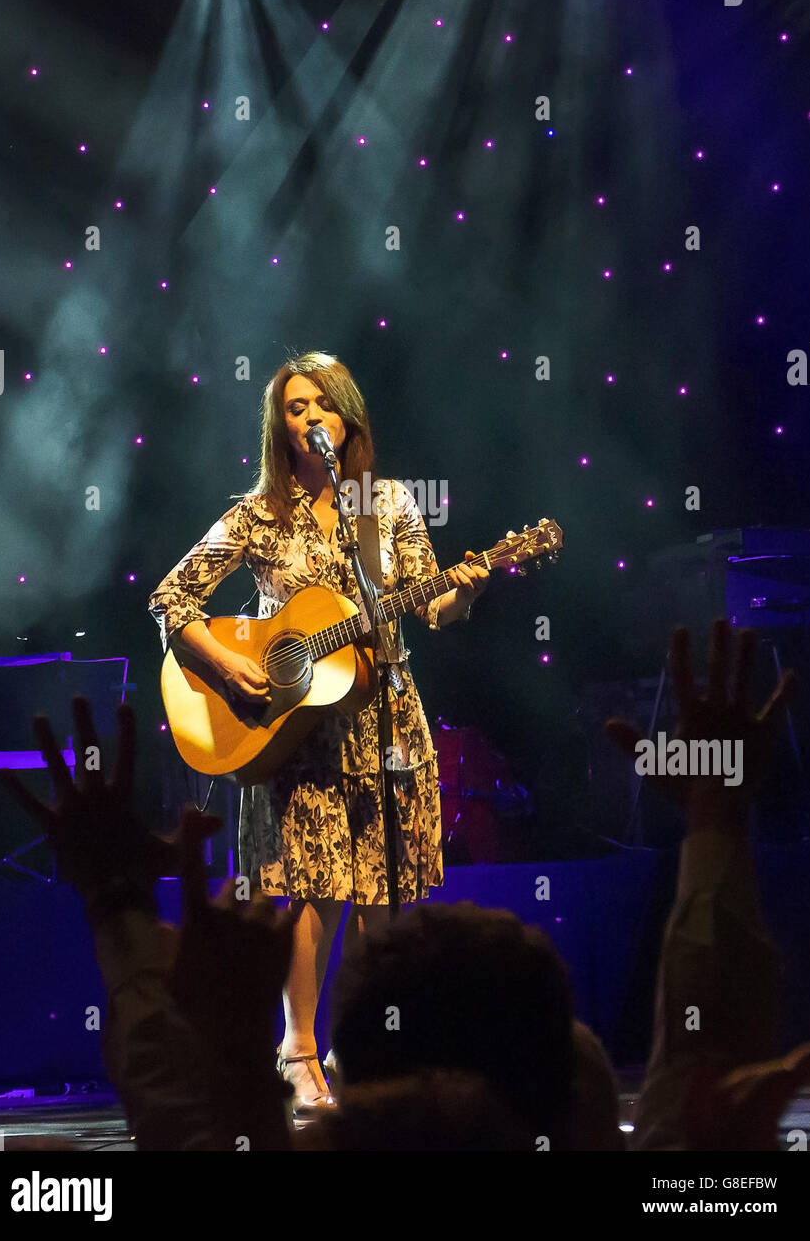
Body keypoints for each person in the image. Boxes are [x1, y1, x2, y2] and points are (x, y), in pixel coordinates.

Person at [148, 351, 489, 1117]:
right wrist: (233, 669)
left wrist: (464, 593)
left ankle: (362, 1044)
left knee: (386, 891)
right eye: (295, 408)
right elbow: (172, 598)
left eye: (322, 406)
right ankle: (296, 1050)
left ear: (348, 418)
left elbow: (428, 607)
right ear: (280, 425)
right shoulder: (256, 514)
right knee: (314, 892)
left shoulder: (387, 504)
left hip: (388, 720)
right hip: (297, 735)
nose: (310, 418)